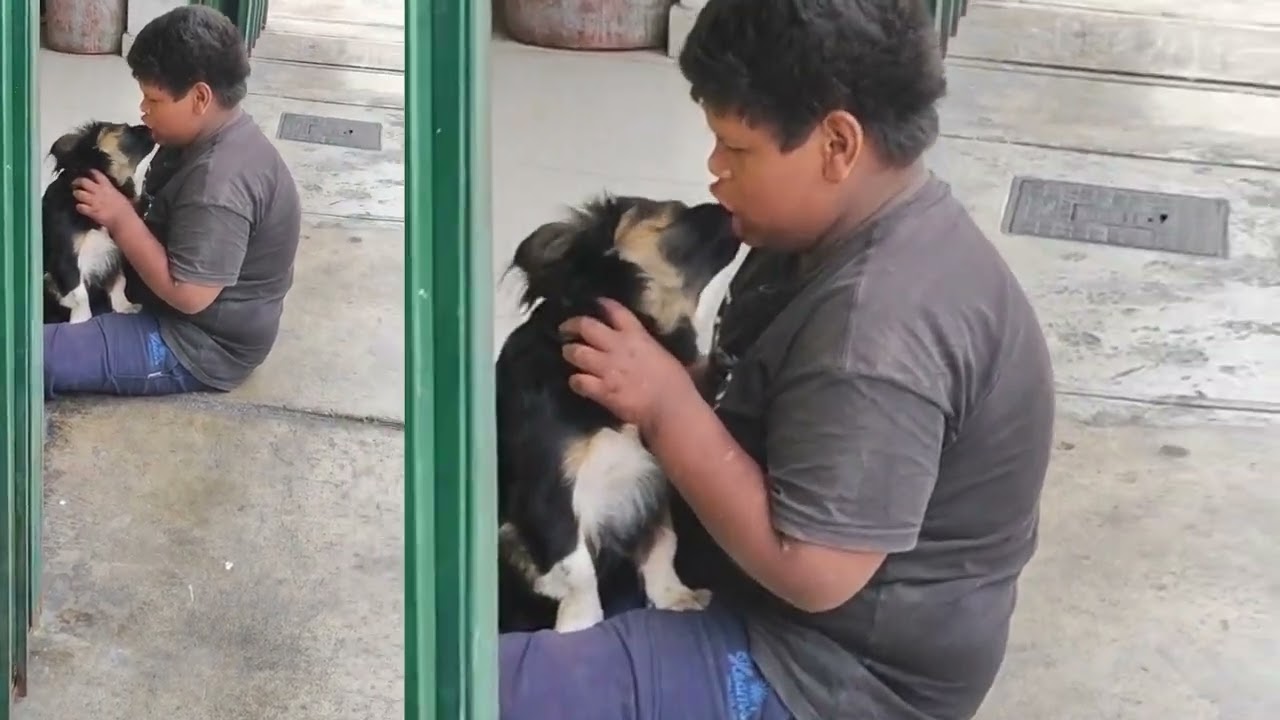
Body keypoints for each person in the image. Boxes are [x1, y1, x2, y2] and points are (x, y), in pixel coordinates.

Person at [499, 0, 1056, 719]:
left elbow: (816, 572)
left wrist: (669, 405)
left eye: (737, 149)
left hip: (828, 675)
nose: (713, 171)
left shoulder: (878, 325)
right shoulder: (822, 235)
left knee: (470, 684)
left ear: (837, 145)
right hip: (772, 605)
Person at [46, 5, 302, 399]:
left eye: (154, 99)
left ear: (200, 97)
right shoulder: (195, 138)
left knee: (27, 354)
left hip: (195, 343)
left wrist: (119, 217)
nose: (143, 110)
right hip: (165, 304)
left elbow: (190, 295)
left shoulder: (219, 182)